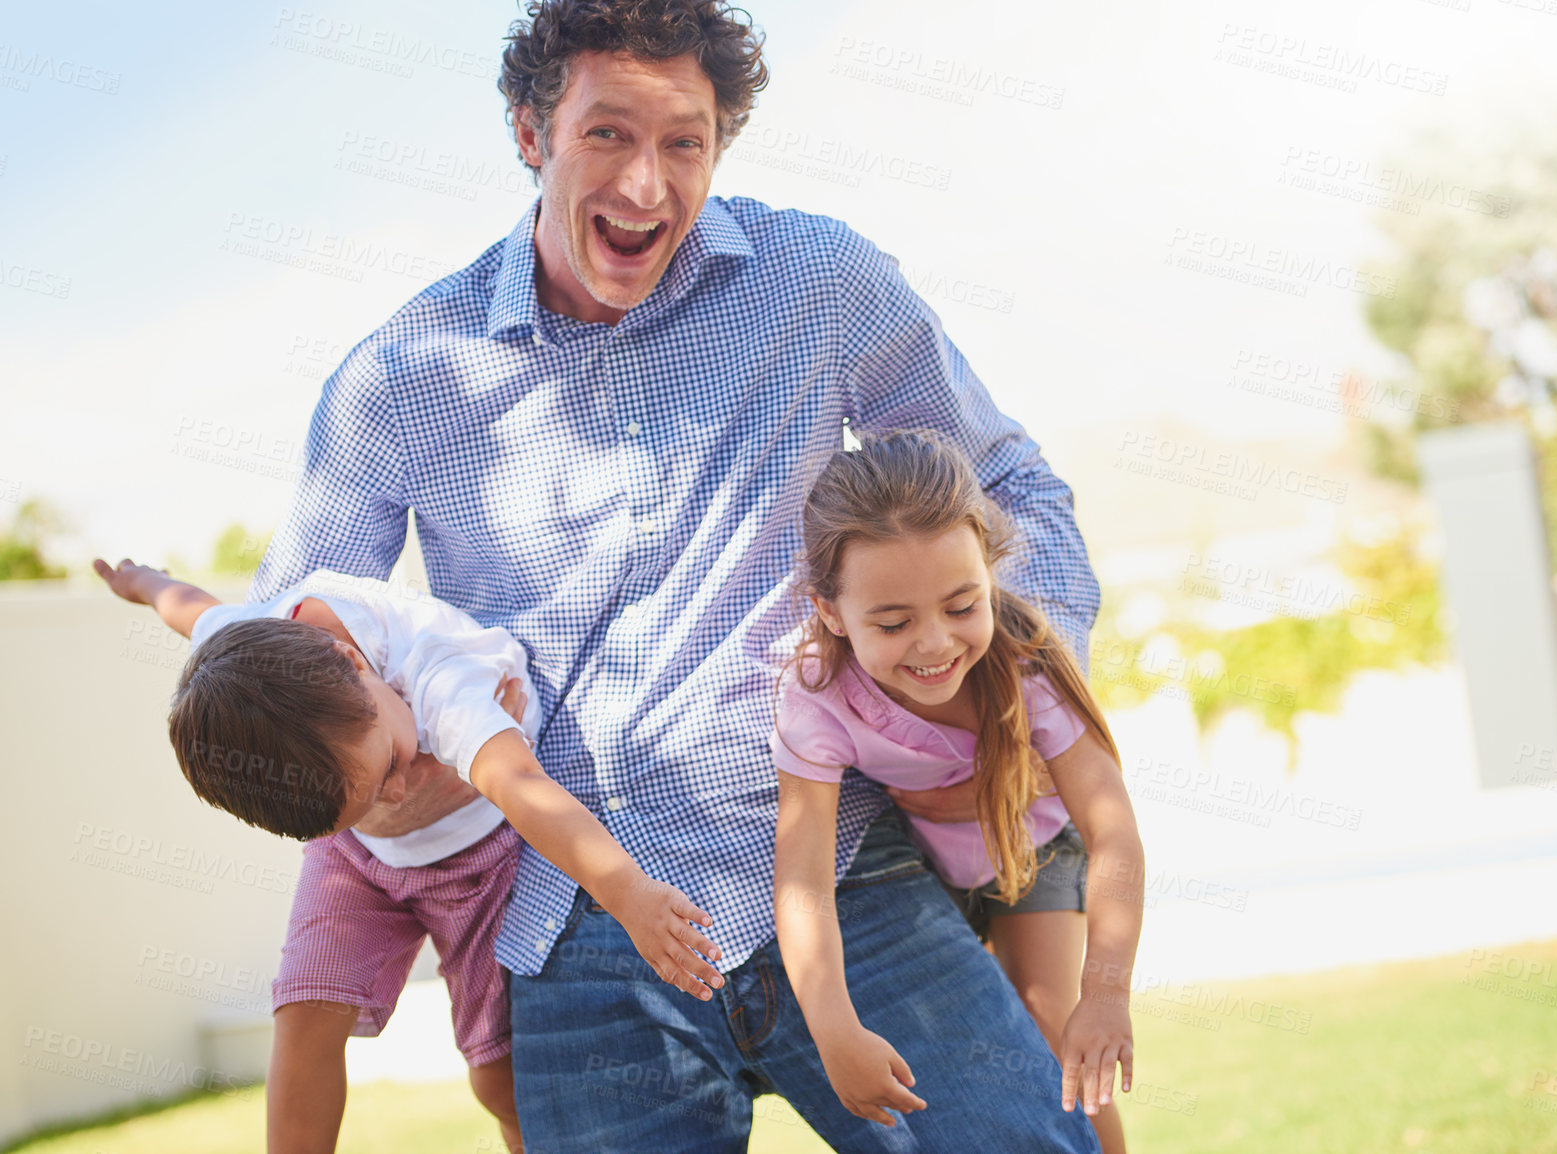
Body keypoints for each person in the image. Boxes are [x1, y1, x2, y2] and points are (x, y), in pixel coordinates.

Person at [246, 1, 1106, 1147]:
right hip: (577, 923)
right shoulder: (403, 379)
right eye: (607, 134)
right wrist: (394, 768)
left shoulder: (817, 281)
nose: (647, 185)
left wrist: (989, 686)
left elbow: (1012, 488)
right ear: (528, 131)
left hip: (842, 867)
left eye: (684, 142)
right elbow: (285, 654)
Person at [93, 559, 724, 1153]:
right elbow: (192, 609)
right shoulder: (249, 653)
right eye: (366, 798)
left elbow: (529, 794)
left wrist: (630, 896)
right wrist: (144, 582)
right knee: (305, 1013)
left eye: (391, 764)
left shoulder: (438, 672)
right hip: (358, 860)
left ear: (353, 662)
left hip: (481, 853)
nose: (398, 789)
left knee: (496, 1077)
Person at [769, 430, 1144, 1152]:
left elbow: (1113, 833)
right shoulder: (816, 700)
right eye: (892, 622)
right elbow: (802, 880)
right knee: (966, 1051)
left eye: (961, 604)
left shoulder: (1025, 663)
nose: (935, 643)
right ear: (828, 611)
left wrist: (1104, 993)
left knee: (1047, 1013)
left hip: (1032, 849)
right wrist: (832, 1026)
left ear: (988, 573)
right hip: (926, 869)